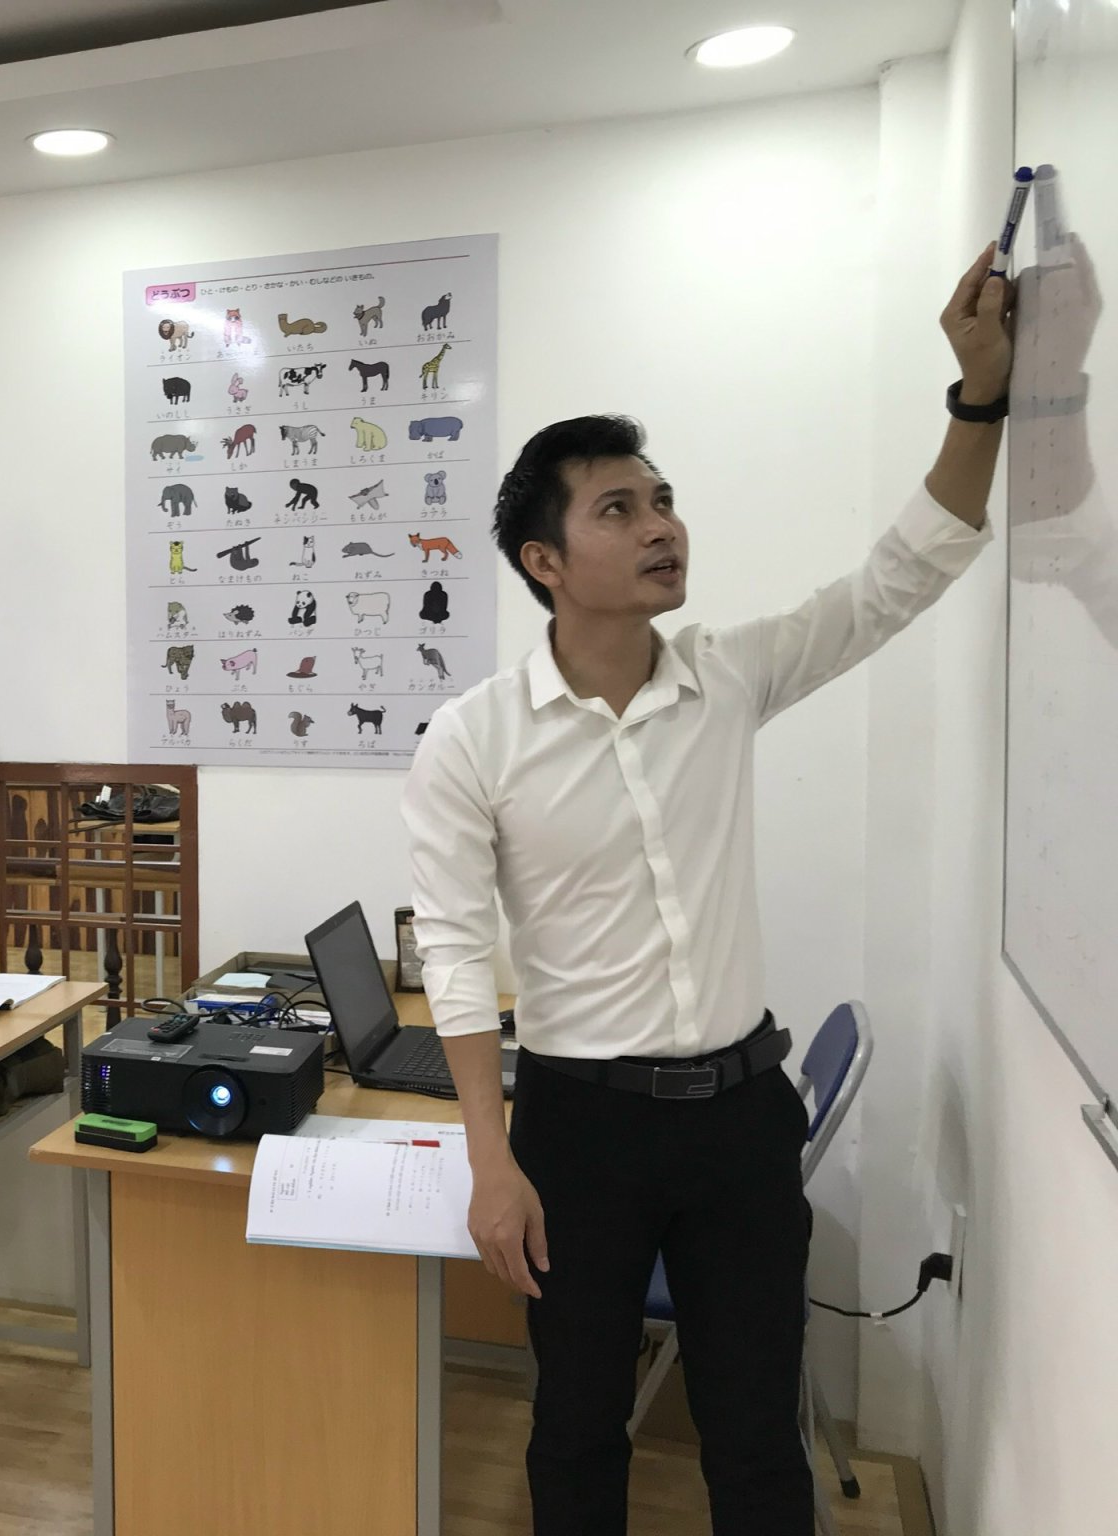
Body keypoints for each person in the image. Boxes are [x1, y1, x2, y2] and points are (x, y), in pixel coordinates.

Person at [402, 247, 1013, 1535]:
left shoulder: (724, 677)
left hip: (739, 1117)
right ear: (543, 560)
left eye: (662, 501)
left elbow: (895, 580)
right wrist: (489, 1159)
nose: (659, 527)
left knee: (752, 1437)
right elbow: (452, 952)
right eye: (617, 509)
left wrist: (978, 399)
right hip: (577, 1128)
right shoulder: (471, 739)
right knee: (576, 1431)